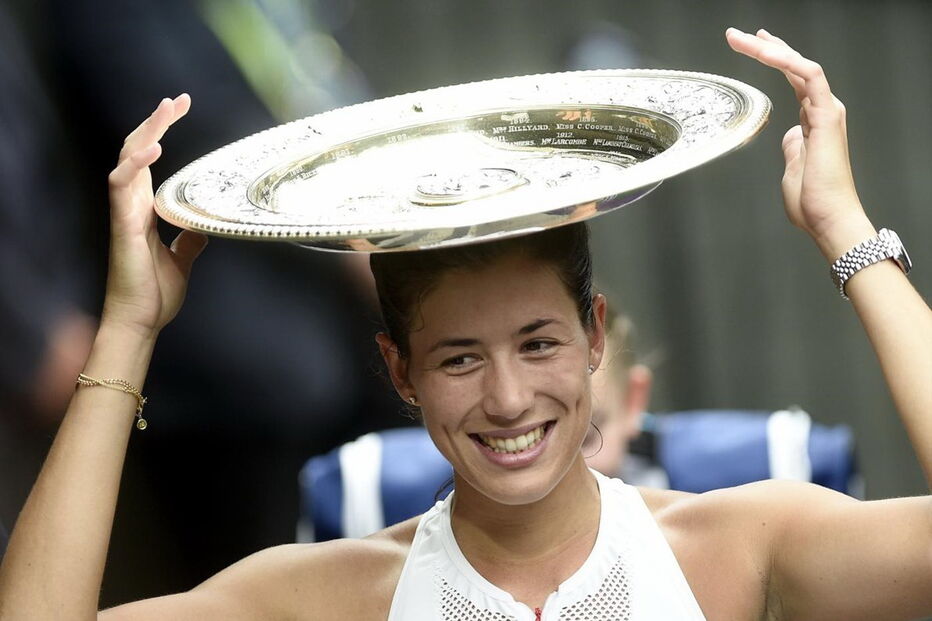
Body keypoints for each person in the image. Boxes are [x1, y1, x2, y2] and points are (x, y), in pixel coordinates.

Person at [0, 27, 930, 620]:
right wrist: (129, 326)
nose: (510, 396)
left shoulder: (735, 547)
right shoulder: (336, 596)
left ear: (595, 335)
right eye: (456, 358)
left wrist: (846, 230)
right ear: (399, 371)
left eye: (539, 342)